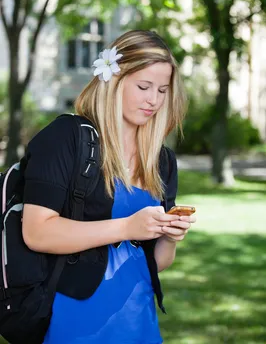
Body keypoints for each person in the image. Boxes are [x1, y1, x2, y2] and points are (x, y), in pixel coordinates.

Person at [22, 30, 196, 344]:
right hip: (75, 323)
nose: (153, 100)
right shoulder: (67, 137)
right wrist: (127, 227)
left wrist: (170, 238)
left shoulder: (162, 161)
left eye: (162, 90)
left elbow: (156, 262)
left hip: (140, 323)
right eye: (143, 87)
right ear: (113, 80)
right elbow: (37, 232)